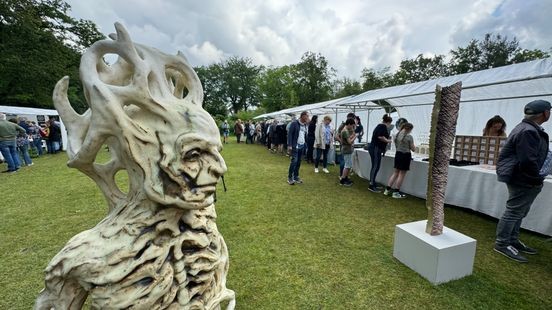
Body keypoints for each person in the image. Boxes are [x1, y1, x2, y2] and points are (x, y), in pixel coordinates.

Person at [494, 100, 550, 263]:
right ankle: (502, 243)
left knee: (519, 211)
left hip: (521, 176)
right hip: (523, 177)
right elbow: (527, 160)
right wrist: (537, 177)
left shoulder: (526, 128)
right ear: (545, 113)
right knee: (514, 211)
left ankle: (512, 240)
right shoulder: (528, 131)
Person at [384, 122, 415, 198]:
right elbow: (413, 149)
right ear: (409, 129)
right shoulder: (409, 137)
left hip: (398, 154)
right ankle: (396, 192)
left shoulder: (397, 135)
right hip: (405, 155)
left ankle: (387, 190)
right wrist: (414, 147)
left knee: (395, 173)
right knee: (401, 174)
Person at [368, 114, 393, 192]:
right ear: (388, 122)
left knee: (376, 166)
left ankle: (373, 182)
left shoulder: (380, 126)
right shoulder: (382, 127)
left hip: (376, 148)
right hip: (375, 148)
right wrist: (389, 141)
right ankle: (371, 184)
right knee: (375, 166)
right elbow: (380, 137)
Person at [287, 111, 309, 185]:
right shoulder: (294, 123)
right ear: (302, 116)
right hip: (295, 146)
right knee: (294, 161)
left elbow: (304, 135)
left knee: (299, 162)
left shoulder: (305, 125)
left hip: (302, 145)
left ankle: (296, 177)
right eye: (307, 116)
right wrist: (289, 145)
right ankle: (290, 178)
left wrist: (305, 144)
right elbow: (290, 134)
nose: (307, 118)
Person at [339, 119, 356, 186]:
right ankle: (342, 180)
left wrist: (352, 135)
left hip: (347, 149)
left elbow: (348, 138)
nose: (352, 127)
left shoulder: (345, 130)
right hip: (347, 149)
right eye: (352, 126)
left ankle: (345, 178)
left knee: (348, 165)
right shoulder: (345, 131)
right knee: (347, 166)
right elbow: (349, 142)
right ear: (349, 124)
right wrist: (355, 136)